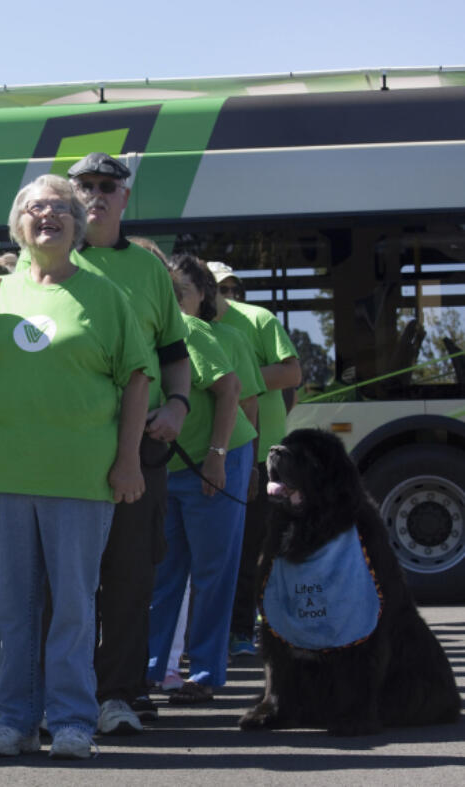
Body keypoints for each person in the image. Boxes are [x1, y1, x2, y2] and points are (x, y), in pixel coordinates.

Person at [0, 174, 152, 760]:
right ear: (16, 225)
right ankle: (14, 720)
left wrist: (128, 460)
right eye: (33, 208)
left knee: (74, 605)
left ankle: (72, 721)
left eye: (59, 209)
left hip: (81, 478)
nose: (46, 216)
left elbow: (137, 379)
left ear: (77, 225)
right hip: (2, 475)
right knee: (12, 607)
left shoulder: (105, 294)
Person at [67, 153, 191, 735]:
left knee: (128, 576)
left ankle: (119, 692)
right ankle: (66, 693)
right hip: (61, 449)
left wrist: (179, 406)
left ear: (124, 196)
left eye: (107, 186)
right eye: (85, 185)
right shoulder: (45, 259)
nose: (96, 194)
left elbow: (173, 354)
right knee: (62, 580)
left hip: (138, 449)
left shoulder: (148, 270)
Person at [147, 254, 262, 704]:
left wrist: (218, 459)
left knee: (212, 573)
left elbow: (231, 390)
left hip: (215, 461)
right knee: (164, 572)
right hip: (171, 470)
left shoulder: (189, 330)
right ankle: (156, 669)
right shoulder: (144, 331)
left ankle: (207, 673)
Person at [207, 262, 302, 657]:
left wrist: (232, 381)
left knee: (251, 549)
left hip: (258, 455)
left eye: (232, 287)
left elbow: (292, 374)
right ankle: (212, 635)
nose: (228, 295)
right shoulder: (185, 323)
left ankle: (242, 633)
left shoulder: (258, 318)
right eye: (220, 287)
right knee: (215, 552)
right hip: (204, 452)